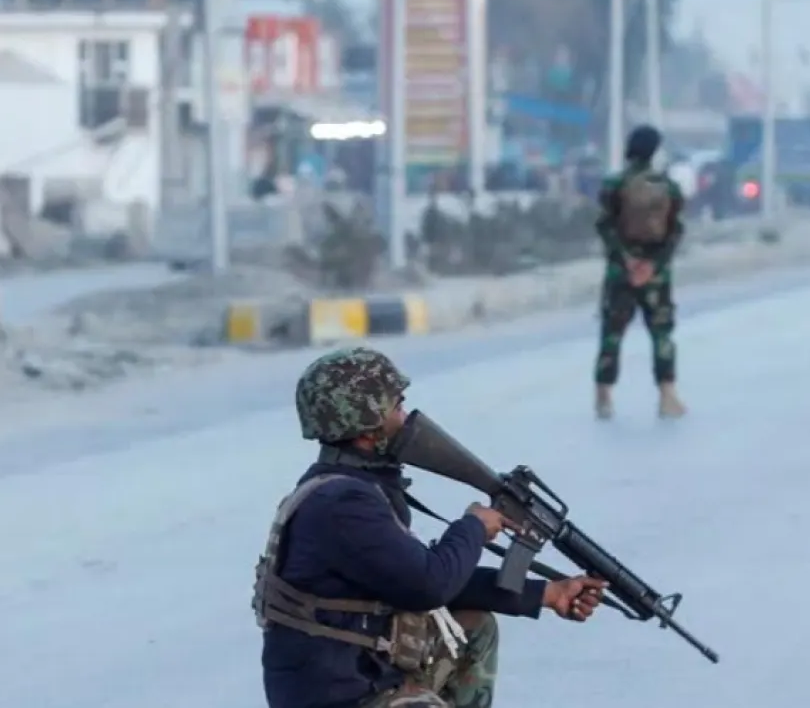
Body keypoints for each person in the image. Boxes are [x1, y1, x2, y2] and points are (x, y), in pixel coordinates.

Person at [258, 348, 608, 708]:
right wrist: (473, 527)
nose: (405, 416)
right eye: (397, 406)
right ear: (367, 423)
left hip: (358, 675)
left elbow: (427, 578)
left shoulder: (350, 489)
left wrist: (548, 594)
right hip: (337, 696)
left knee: (474, 626)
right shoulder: (342, 504)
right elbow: (430, 585)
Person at [593, 125, 686, 419]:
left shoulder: (615, 184)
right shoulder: (669, 187)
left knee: (612, 333)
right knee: (661, 333)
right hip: (657, 274)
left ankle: (603, 396)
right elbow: (675, 230)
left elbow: (605, 225)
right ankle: (667, 396)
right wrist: (653, 264)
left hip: (620, 271)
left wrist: (627, 260)